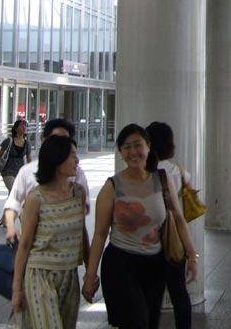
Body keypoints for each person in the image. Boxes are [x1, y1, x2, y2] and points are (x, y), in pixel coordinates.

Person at [83, 124, 198, 329]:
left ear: (148, 146)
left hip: (155, 264)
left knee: (150, 322)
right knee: (137, 321)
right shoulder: (112, 186)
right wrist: (90, 276)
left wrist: (192, 256)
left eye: (138, 145)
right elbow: (100, 234)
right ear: (121, 152)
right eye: (127, 147)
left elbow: (179, 219)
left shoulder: (162, 179)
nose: (133, 151)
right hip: (121, 264)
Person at [11, 135, 89, 328]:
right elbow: (25, 244)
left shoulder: (78, 193)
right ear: (57, 159)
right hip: (40, 275)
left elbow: (82, 233)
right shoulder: (36, 198)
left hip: (69, 275)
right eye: (72, 155)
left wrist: (90, 272)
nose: (77, 160)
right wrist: (17, 288)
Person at [3, 118, 89, 244]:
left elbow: (83, 209)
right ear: (44, 140)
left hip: (67, 247)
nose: (60, 146)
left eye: (65, 142)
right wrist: (11, 227)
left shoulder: (76, 173)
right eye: (55, 140)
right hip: (34, 245)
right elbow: (13, 203)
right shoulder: (27, 172)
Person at [146, 121, 194, 329]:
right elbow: (190, 191)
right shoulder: (177, 170)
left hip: (151, 237)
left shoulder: (146, 172)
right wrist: (192, 254)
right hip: (175, 235)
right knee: (179, 293)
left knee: (152, 294)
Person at [0, 118, 32, 228]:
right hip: (8, 171)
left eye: (25, 126)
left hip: (20, 172)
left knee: (12, 195)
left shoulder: (27, 144)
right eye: (22, 126)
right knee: (14, 192)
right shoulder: (9, 141)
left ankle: (4, 218)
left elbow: (29, 159)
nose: (24, 128)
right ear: (16, 128)